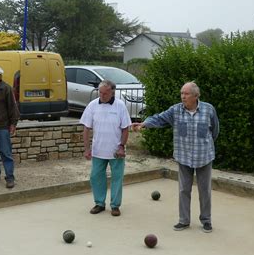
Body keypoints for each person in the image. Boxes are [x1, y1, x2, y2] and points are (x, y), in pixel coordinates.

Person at [132, 82, 219, 232]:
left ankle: (206, 220)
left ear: (196, 96)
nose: (183, 96)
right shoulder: (175, 110)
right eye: (181, 93)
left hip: (204, 157)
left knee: (205, 190)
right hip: (184, 156)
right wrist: (144, 124)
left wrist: (207, 145)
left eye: (186, 94)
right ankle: (184, 220)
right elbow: (159, 119)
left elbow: (215, 130)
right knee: (184, 189)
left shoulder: (208, 109)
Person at [80, 79, 132, 217]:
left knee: (117, 178)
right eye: (100, 92)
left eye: (105, 93)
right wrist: (86, 148)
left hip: (115, 151)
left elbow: (126, 128)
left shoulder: (120, 106)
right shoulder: (92, 105)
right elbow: (86, 128)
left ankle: (115, 205)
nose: (102, 96)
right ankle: (99, 203)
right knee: (95, 177)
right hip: (98, 150)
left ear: (112, 92)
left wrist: (122, 146)